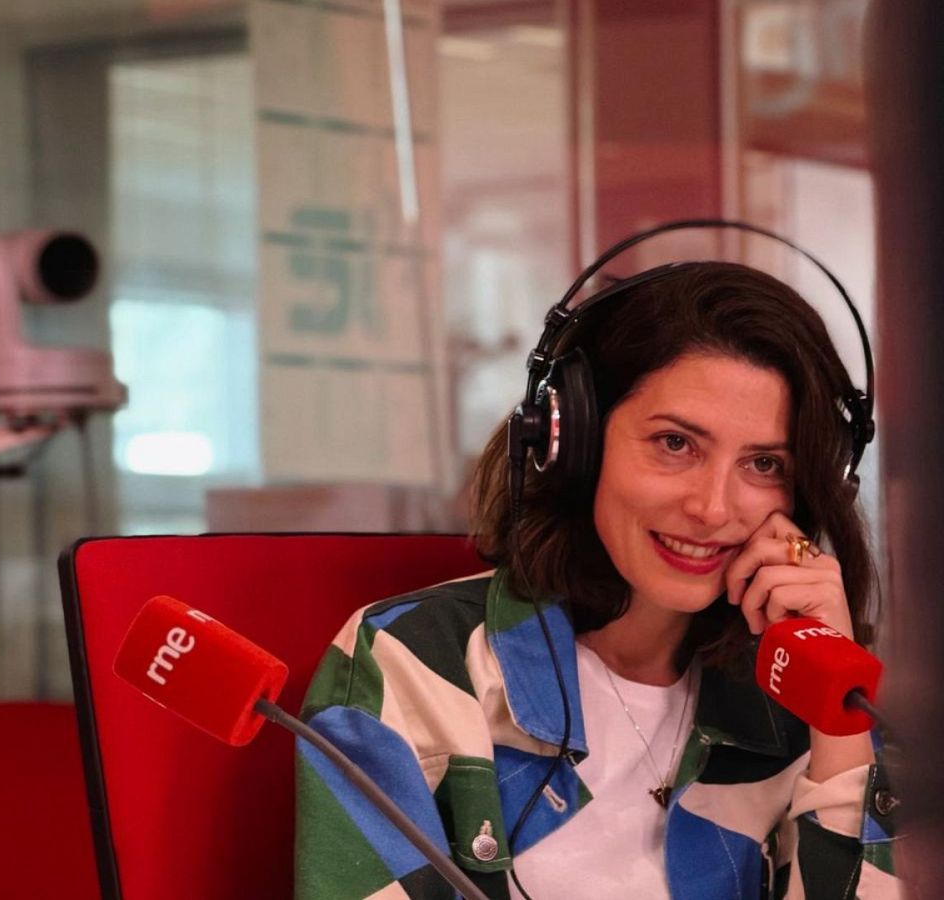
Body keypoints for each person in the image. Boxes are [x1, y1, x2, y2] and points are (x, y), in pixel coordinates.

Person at [294, 260, 898, 899]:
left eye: (764, 462)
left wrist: (836, 718)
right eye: (674, 443)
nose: (715, 508)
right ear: (573, 439)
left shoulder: (790, 701)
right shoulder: (413, 663)